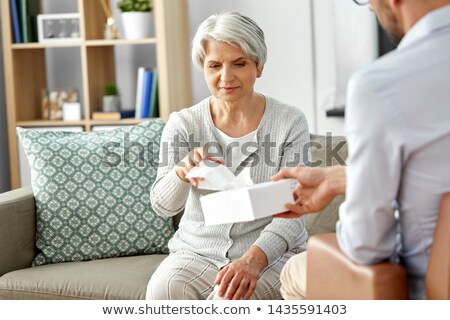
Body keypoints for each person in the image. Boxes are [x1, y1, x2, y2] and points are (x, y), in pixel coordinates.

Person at [272, 0, 450, 300]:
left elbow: (366, 245)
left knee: (294, 271)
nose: (369, 8)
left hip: (423, 295)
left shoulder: (381, 86)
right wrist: (342, 177)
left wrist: (361, 196)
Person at [146, 11, 310, 300]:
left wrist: (252, 261)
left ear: (258, 67)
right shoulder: (184, 123)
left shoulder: (289, 122)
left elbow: (293, 213)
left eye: (239, 63)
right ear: (203, 68)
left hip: (268, 254)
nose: (226, 77)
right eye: (214, 65)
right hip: (197, 252)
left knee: (228, 298)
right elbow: (163, 206)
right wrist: (182, 173)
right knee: (164, 291)